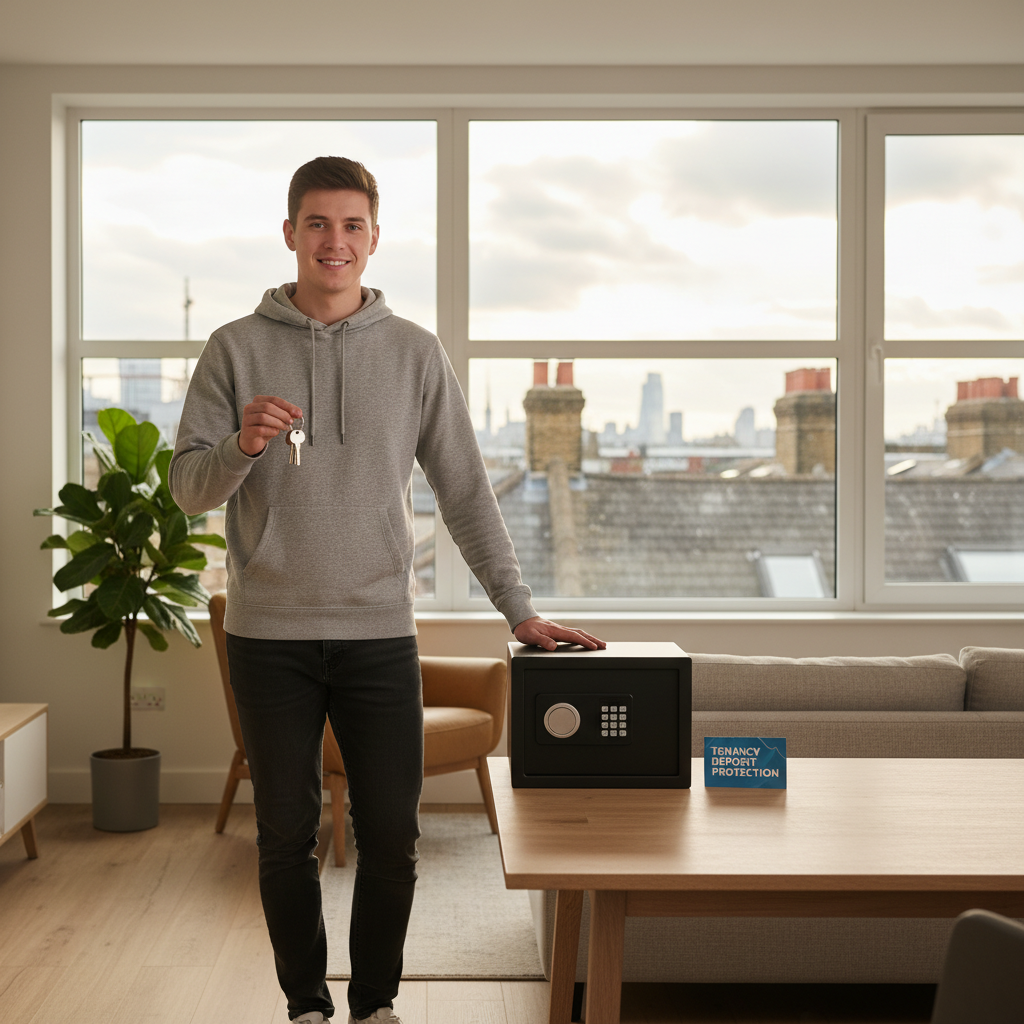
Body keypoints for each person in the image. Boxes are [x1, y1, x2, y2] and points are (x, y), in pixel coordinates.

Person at [169, 155, 604, 1024]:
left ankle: (374, 1006)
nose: (336, 241)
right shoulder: (234, 348)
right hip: (269, 638)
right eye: (319, 224)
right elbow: (187, 490)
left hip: (377, 631)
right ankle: (306, 1007)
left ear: (373, 238)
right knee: (286, 838)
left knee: (393, 839)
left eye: (353, 225)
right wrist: (242, 447)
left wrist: (520, 611)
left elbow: (466, 492)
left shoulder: (413, 353)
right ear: (290, 234)